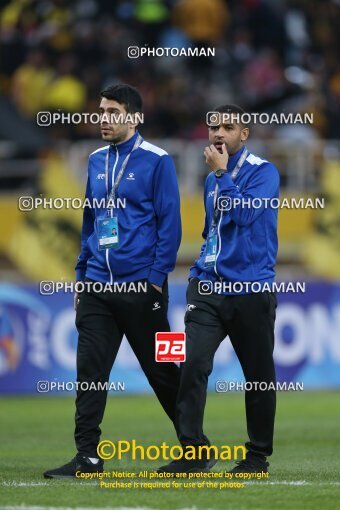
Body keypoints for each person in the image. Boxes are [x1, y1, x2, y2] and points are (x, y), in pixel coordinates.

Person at [44, 84, 182, 478]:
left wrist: (155, 281)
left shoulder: (158, 161)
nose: (103, 119)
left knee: (165, 371)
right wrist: (81, 276)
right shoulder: (94, 160)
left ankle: (194, 447)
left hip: (143, 287)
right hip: (96, 287)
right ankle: (87, 456)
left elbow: (170, 226)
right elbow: (90, 222)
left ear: (134, 117)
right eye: (101, 111)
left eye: (113, 112)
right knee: (90, 373)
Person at [159, 104, 279, 474]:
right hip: (208, 289)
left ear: (244, 134)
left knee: (258, 376)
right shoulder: (211, 179)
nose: (218, 134)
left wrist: (224, 175)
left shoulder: (264, 172)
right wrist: (198, 271)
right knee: (192, 364)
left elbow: (243, 215)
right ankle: (194, 452)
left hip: (250, 289)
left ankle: (257, 456)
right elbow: (213, 230)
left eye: (228, 127)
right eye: (213, 127)